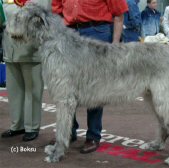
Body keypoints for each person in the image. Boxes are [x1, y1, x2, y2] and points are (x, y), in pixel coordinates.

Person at [52, 0, 128, 154]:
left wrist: (114, 44)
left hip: (96, 31)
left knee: (95, 86)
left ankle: (93, 135)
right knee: (65, 87)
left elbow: (119, 13)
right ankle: (68, 132)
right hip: (69, 33)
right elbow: (56, 11)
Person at [1, 0, 44, 141]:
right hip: (10, 49)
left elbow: (41, 17)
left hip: (30, 49)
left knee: (32, 91)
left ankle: (31, 127)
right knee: (14, 90)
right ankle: (17, 125)